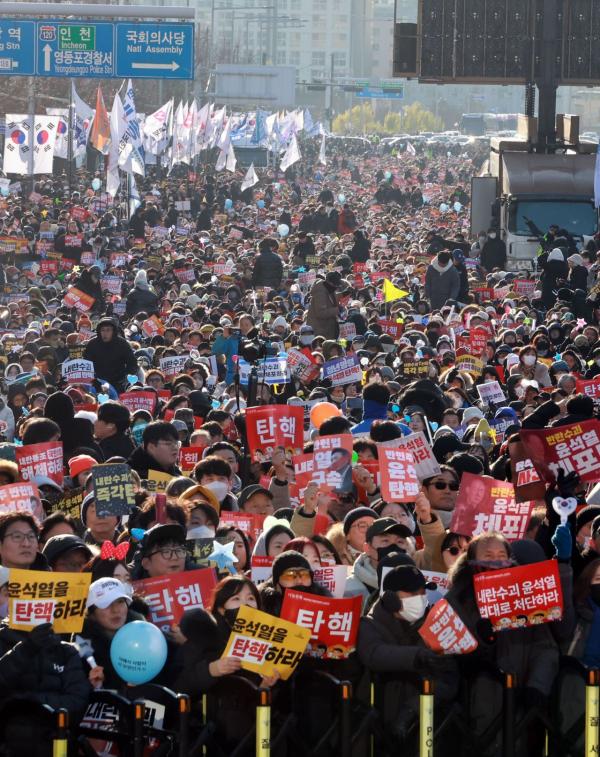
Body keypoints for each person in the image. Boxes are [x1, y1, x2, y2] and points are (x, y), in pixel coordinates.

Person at [358, 565, 458, 743]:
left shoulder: (436, 625)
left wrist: (413, 708)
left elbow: (448, 678)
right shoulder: (369, 625)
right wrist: (418, 655)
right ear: (390, 598)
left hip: (426, 727)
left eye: (422, 593)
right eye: (412, 594)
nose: (419, 599)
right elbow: (374, 654)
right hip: (378, 729)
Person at [83, 317, 138, 393]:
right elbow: (86, 364)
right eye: (103, 330)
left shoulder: (122, 344)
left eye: (108, 330)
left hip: (118, 383)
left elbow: (132, 363)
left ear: (113, 331)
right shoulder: (92, 344)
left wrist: (126, 378)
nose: (105, 333)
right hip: (97, 383)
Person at [307, 271, 341, 340]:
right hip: (320, 331)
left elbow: (331, 302)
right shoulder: (320, 292)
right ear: (329, 282)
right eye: (335, 284)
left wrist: (343, 295)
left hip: (326, 329)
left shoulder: (329, 289)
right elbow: (320, 313)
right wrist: (338, 310)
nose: (336, 287)